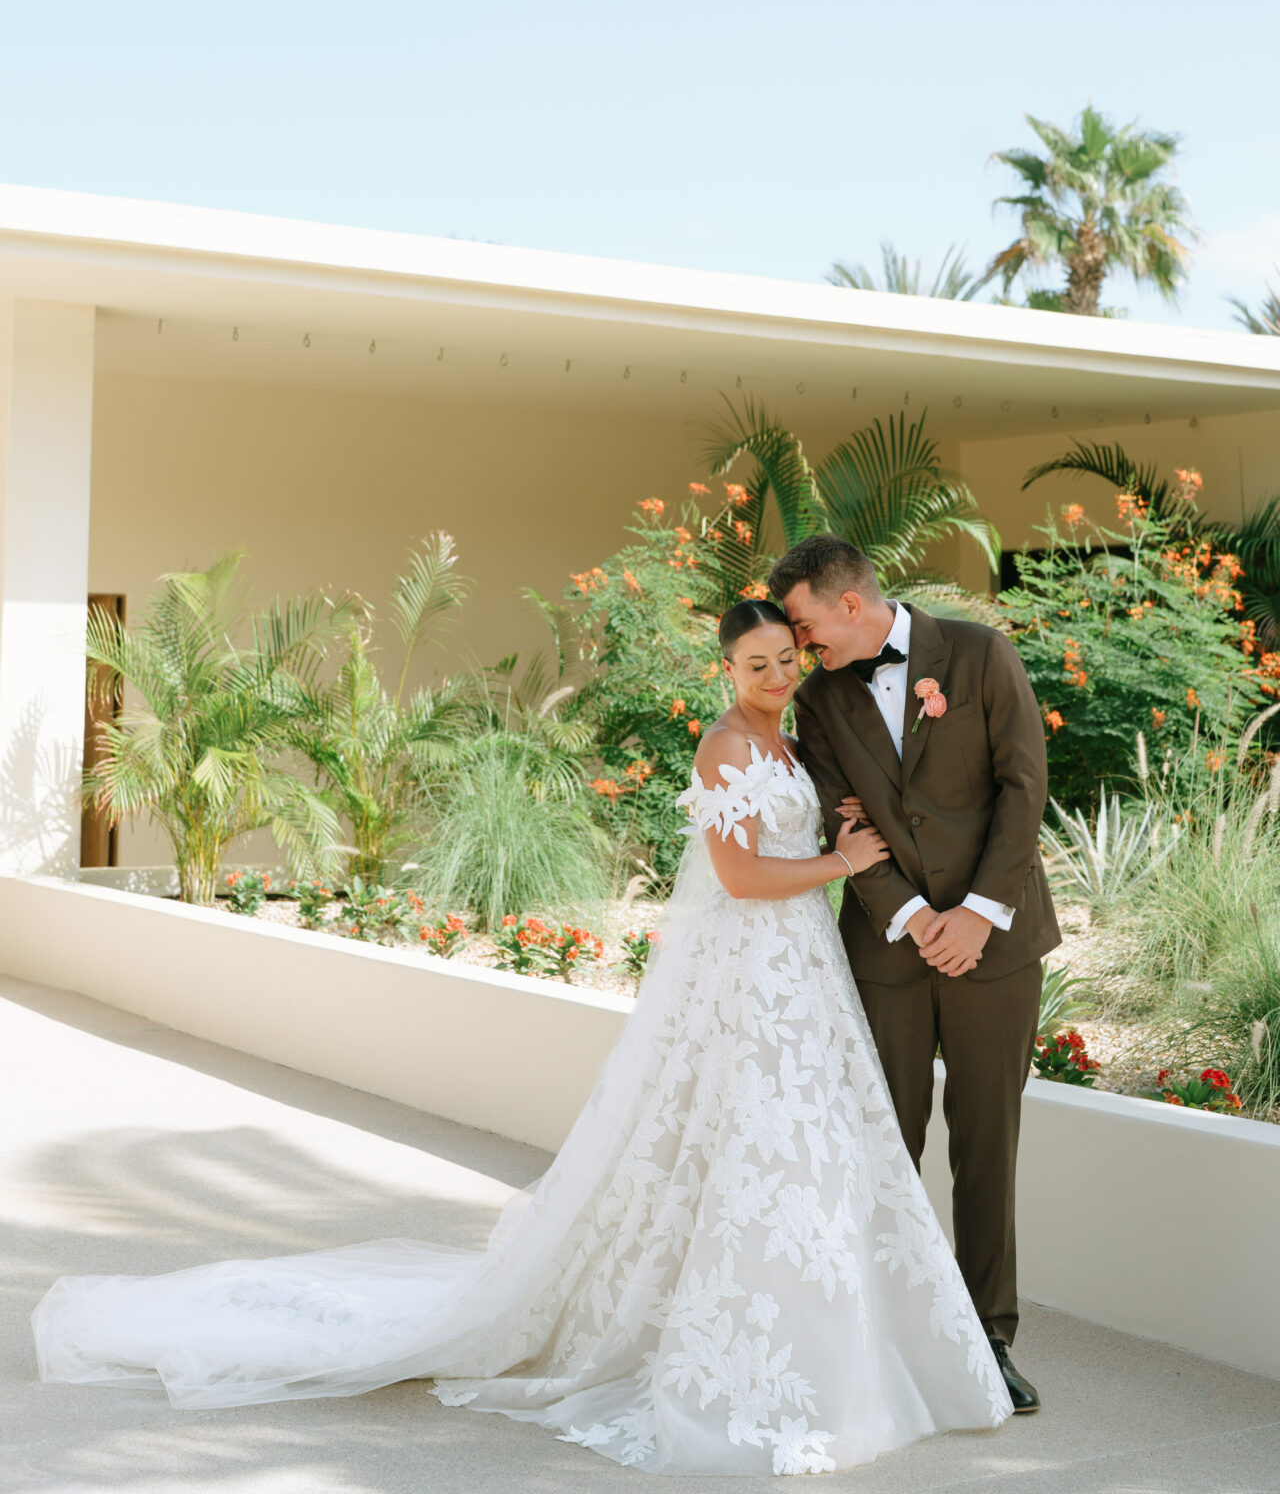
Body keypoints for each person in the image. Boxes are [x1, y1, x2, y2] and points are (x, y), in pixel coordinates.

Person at [33, 599, 1012, 1476]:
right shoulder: (722, 746)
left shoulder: (790, 741)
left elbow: (791, 841)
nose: (773, 676)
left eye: (782, 661)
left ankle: (831, 1337)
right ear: (724, 670)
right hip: (750, 970)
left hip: (800, 977)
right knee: (748, 1139)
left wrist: (832, 834)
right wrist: (837, 860)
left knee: (794, 1146)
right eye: (755, 664)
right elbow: (744, 879)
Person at [768, 536, 1060, 1415]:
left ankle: (986, 1340)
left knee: (987, 1143)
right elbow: (839, 814)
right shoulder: (819, 700)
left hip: (995, 945)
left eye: (805, 623)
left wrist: (976, 914)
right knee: (886, 1142)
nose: (801, 642)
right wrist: (906, 915)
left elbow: (1023, 785)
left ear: (848, 603)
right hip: (888, 950)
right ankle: (884, 1332)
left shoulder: (978, 653)